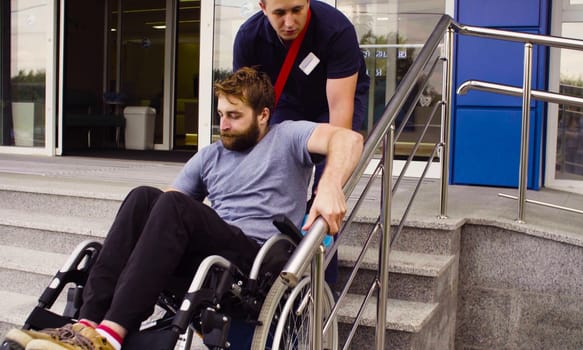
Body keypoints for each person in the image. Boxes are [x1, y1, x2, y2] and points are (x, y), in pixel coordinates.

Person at [2, 67, 363, 350]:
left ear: (264, 114)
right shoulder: (210, 155)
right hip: (212, 258)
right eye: (220, 114)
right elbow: (160, 210)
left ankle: (112, 334)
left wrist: (328, 185)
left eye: (234, 116)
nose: (223, 124)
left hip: (255, 260)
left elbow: (348, 138)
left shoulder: (288, 136)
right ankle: (86, 326)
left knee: (173, 204)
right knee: (144, 197)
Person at [233, 0, 370, 284]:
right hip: (285, 101)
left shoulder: (336, 30)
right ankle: (271, 274)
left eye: (297, 10)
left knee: (326, 191)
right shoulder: (248, 38)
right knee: (275, 181)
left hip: (334, 100)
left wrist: (329, 184)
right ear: (262, 6)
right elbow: (246, 108)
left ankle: (323, 291)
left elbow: (340, 126)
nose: (289, 22)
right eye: (279, 13)